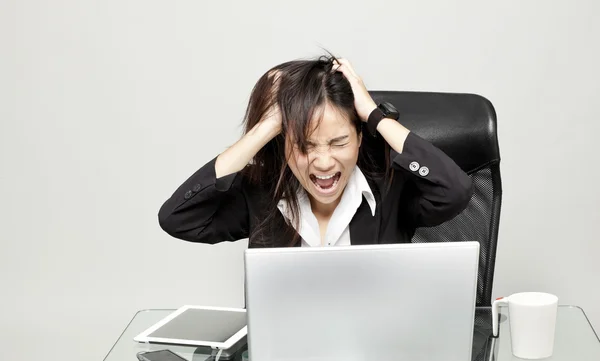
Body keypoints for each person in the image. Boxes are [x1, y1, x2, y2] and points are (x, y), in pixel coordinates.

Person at [158, 55, 473, 248]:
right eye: (305, 146)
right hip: (286, 354)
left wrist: (374, 116)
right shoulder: (261, 196)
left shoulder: (391, 192)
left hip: (378, 355)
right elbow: (178, 219)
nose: (323, 162)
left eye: (339, 143)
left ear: (360, 138)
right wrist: (267, 126)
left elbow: (455, 190)